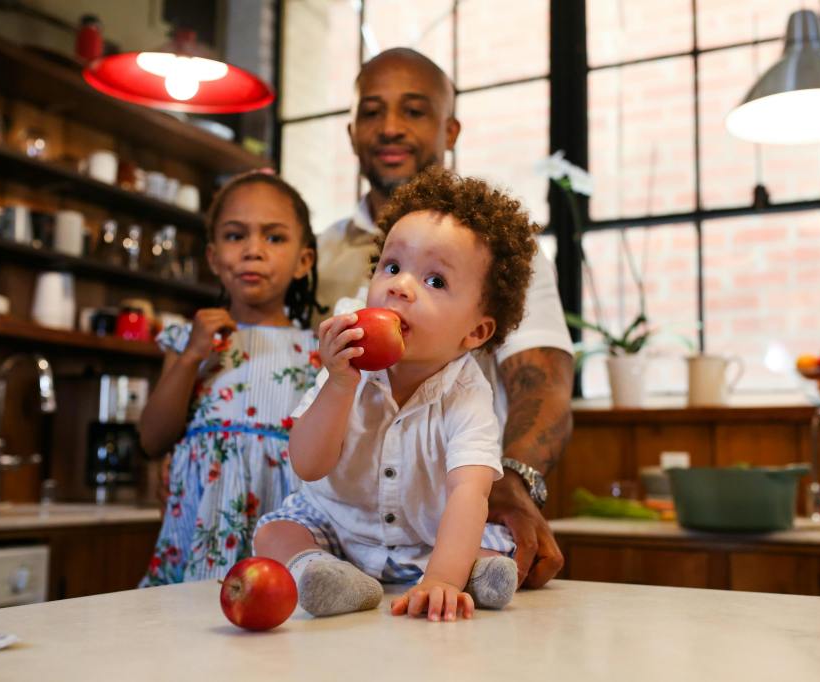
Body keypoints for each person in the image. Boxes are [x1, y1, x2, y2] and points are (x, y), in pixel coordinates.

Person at [316, 48, 574, 588]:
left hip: (445, 517)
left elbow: (542, 380)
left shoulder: (497, 254)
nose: (389, 128)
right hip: (342, 527)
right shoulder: (317, 253)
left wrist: (511, 483)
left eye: (413, 110)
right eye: (372, 111)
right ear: (351, 131)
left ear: (450, 129)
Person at [254, 167, 537, 621]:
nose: (399, 286)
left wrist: (441, 579)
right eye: (392, 266)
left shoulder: (466, 396)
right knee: (277, 531)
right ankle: (319, 572)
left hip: (427, 542)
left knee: (486, 533)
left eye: (435, 281)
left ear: (475, 331)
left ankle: (472, 570)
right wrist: (339, 385)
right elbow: (307, 464)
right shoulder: (347, 363)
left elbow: (469, 492)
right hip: (337, 528)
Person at [138, 170, 323, 586]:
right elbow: (152, 439)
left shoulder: (321, 348)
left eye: (274, 238)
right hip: (201, 527)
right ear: (212, 257)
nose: (253, 251)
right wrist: (192, 358)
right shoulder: (189, 340)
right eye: (235, 236)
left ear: (303, 261)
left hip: (283, 517)